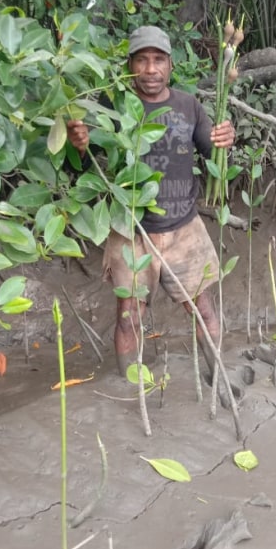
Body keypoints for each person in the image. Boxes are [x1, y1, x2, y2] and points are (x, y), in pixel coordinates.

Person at [66, 25, 235, 394]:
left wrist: (226, 139)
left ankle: (218, 379)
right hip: (130, 231)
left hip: (184, 229)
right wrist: (78, 146)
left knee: (204, 312)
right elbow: (83, 168)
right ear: (130, 66)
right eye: (141, 60)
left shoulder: (189, 105)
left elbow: (214, 154)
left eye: (158, 60)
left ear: (170, 64)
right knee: (129, 320)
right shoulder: (112, 108)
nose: (151, 69)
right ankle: (132, 391)